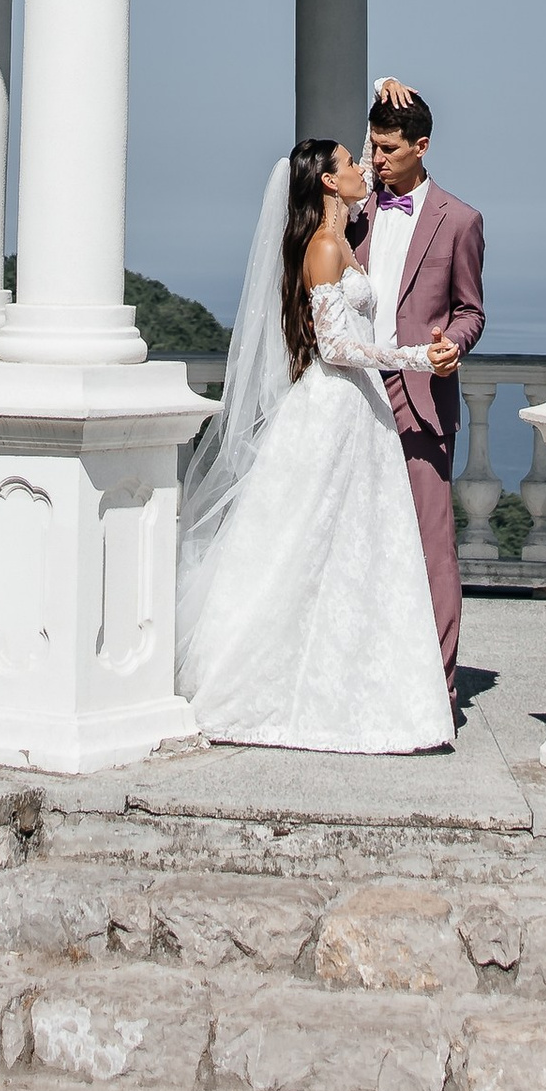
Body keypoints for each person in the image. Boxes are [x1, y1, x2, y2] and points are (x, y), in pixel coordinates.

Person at [174, 139, 458, 753]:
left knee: (352, 548)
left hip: (356, 410)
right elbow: (336, 346)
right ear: (330, 184)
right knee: (307, 543)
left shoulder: (337, 234)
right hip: (334, 405)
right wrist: (412, 359)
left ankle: (352, 682)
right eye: (354, 164)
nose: (366, 168)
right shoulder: (327, 248)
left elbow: (347, 175)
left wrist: (381, 92)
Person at [349, 79, 487, 688]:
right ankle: (366, 674)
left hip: (421, 397)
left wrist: (452, 346)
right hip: (353, 392)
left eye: (387, 150)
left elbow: (471, 309)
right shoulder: (354, 209)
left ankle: (438, 685)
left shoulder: (460, 220)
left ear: (421, 146)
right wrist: (382, 79)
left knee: (432, 544)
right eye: (372, 147)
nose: (375, 160)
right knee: (358, 538)